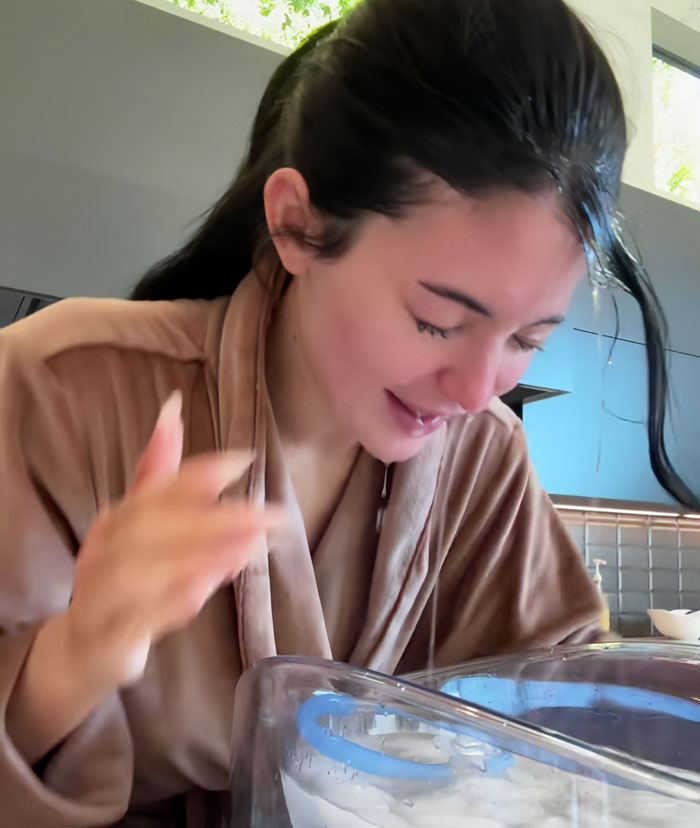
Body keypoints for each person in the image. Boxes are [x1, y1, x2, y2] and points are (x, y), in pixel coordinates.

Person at [0, 0, 696, 825]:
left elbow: (561, 719)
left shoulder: (487, 456)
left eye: (527, 340)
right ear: (297, 225)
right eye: (436, 320)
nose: (477, 393)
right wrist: (79, 651)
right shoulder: (59, 386)